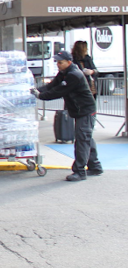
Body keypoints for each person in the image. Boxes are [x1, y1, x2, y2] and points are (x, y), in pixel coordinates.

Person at [31, 50, 103, 181]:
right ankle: (95, 166)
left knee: (82, 140)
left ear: (69, 62)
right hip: (79, 110)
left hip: (85, 110)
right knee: (86, 138)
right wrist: (36, 90)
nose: (58, 65)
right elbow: (52, 85)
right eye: (57, 62)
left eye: (60, 62)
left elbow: (58, 91)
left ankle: (80, 171)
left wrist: (40, 96)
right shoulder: (64, 72)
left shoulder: (74, 75)